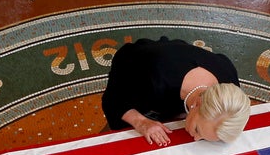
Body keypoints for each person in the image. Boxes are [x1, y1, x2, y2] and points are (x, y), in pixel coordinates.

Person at [101, 37, 251, 146]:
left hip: (176, 60)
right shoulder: (154, 79)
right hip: (134, 68)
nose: (196, 139)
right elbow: (113, 101)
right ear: (197, 103)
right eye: (197, 130)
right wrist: (141, 122)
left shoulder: (230, 88)